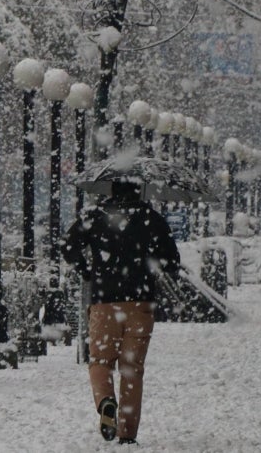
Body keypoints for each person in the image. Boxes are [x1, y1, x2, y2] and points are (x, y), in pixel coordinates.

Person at [61, 181, 181, 445]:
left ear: (111, 190)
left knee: (100, 361)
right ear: (138, 190)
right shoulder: (151, 218)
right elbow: (172, 261)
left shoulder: (93, 215)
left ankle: (106, 401)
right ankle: (127, 434)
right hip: (141, 302)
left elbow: (68, 248)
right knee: (132, 368)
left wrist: (87, 270)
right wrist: (149, 262)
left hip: (104, 301)